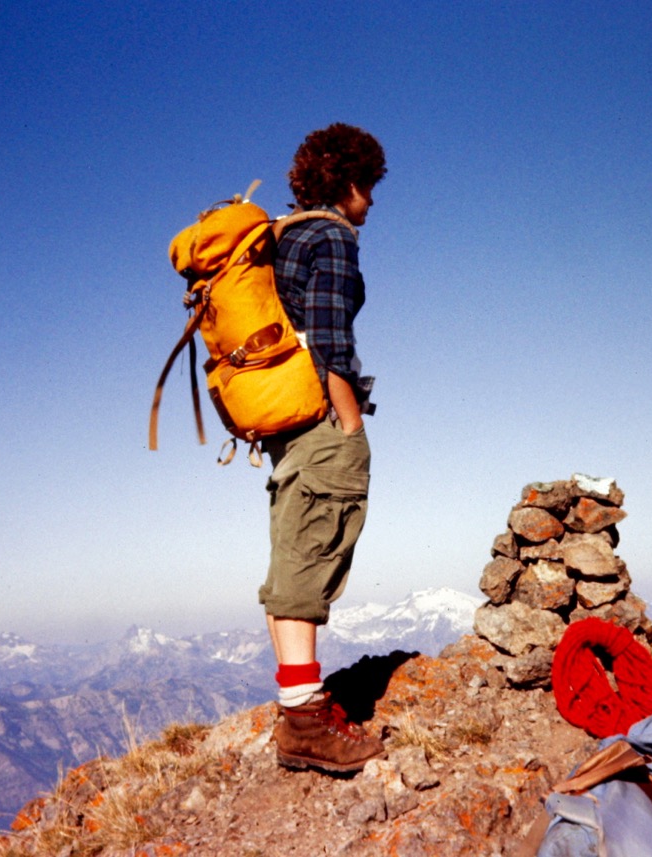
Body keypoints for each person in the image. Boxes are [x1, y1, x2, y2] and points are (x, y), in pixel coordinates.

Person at [262, 123, 387, 773]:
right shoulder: (333, 236)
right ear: (349, 182)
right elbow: (329, 336)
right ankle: (305, 723)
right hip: (319, 419)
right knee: (311, 557)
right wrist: (350, 425)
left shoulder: (281, 235)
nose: (373, 202)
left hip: (282, 425)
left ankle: (299, 703)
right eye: (370, 186)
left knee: (293, 558)